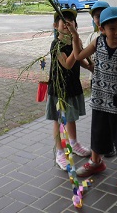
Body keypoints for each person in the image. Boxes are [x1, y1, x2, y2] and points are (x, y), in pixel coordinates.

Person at [66, 6, 117, 191]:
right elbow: (78, 56)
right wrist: (75, 36)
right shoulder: (97, 42)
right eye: (112, 28)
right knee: (98, 132)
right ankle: (95, 162)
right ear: (102, 29)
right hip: (100, 99)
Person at [46, 9, 93, 171]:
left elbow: (80, 60)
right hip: (59, 89)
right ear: (55, 26)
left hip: (72, 86)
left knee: (71, 117)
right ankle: (60, 152)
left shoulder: (74, 41)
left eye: (71, 21)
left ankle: (73, 143)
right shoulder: (56, 45)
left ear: (75, 25)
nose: (67, 24)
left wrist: (90, 67)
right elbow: (68, 64)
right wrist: (76, 43)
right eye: (63, 21)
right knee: (59, 121)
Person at [85, 0, 116, 158]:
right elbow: (82, 56)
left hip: (113, 84)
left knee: (112, 113)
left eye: (102, 15)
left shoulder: (114, 33)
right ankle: (99, 147)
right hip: (96, 82)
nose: (99, 18)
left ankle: (110, 145)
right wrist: (90, 66)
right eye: (96, 16)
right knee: (99, 115)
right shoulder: (93, 37)